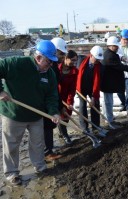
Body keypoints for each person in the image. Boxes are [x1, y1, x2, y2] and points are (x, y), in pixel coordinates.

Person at [0, 40, 60, 186]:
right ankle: (12, 173)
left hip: (36, 114)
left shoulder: (50, 73)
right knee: (12, 145)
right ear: (38, 58)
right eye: (48, 61)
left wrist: (54, 112)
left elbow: (52, 94)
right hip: (13, 114)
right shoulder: (16, 64)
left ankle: (40, 166)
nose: (51, 65)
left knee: (37, 143)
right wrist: (0, 90)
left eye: (52, 62)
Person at [101, 36, 128, 126]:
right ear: (111, 46)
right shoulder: (110, 56)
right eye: (116, 46)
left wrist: (122, 58)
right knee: (108, 102)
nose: (118, 47)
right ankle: (109, 120)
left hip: (108, 82)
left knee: (107, 101)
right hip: (107, 83)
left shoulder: (109, 53)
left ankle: (107, 117)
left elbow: (118, 57)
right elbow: (121, 67)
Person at [42, 37, 67, 162]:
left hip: (52, 98)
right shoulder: (49, 66)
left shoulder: (55, 66)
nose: (62, 56)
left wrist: (60, 104)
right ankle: (47, 152)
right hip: (45, 101)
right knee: (47, 125)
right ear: (55, 51)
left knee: (50, 125)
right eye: (61, 53)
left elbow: (55, 88)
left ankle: (49, 149)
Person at [76, 46, 102, 132]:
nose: (98, 61)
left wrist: (94, 97)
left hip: (92, 88)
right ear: (91, 55)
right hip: (81, 88)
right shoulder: (80, 61)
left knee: (95, 104)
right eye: (97, 58)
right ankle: (84, 127)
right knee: (83, 106)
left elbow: (97, 82)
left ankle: (96, 126)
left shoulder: (99, 66)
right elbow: (75, 75)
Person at [57, 50, 79, 145]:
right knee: (60, 115)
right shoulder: (57, 69)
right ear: (66, 58)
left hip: (67, 96)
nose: (74, 62)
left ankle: (62, 132)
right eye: (72, 60)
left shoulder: (74, 71)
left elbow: (72, 88)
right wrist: (57, 98)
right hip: (57, 95)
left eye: (76, 61)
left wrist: (69, 102)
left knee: (66, 115)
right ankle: (65, 135)